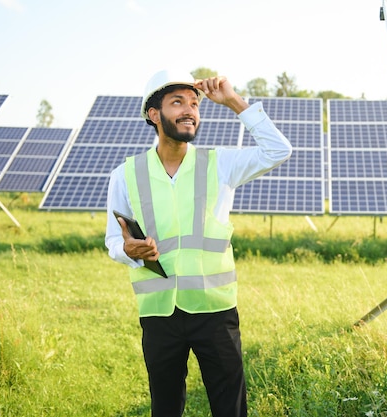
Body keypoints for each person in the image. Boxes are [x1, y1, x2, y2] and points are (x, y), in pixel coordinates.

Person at [104, 68, 292, 417]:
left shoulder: (219, 164)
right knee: (165, 407)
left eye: (194, 103)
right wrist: (128, 251)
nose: (189, 109)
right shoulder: (125, 174)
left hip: (215, 311)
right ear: (154, 114)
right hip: (159, 312)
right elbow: (114, 239)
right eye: (178, 102)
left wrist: (234, 101)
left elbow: (278, 150)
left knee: (229, 408)